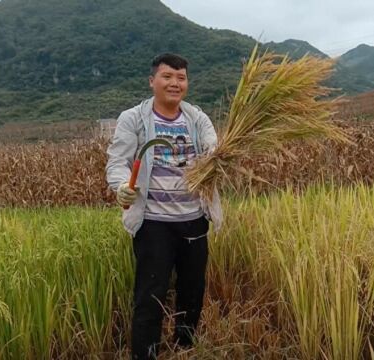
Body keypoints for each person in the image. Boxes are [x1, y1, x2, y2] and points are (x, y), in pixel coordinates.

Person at [105, 53, 222, 359]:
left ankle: (185, 348)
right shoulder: (134, 119)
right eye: (167, 76)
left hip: (194, 218)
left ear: (187, 82)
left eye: (181, 77)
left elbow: (214, 149)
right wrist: (121, 187)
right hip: (153, 222)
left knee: (192, 292)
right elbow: (117, 163)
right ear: (152, 81)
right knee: (150, 295)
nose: (175, 83)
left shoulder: (197, 119)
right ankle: (145, 354)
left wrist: (220, 155)